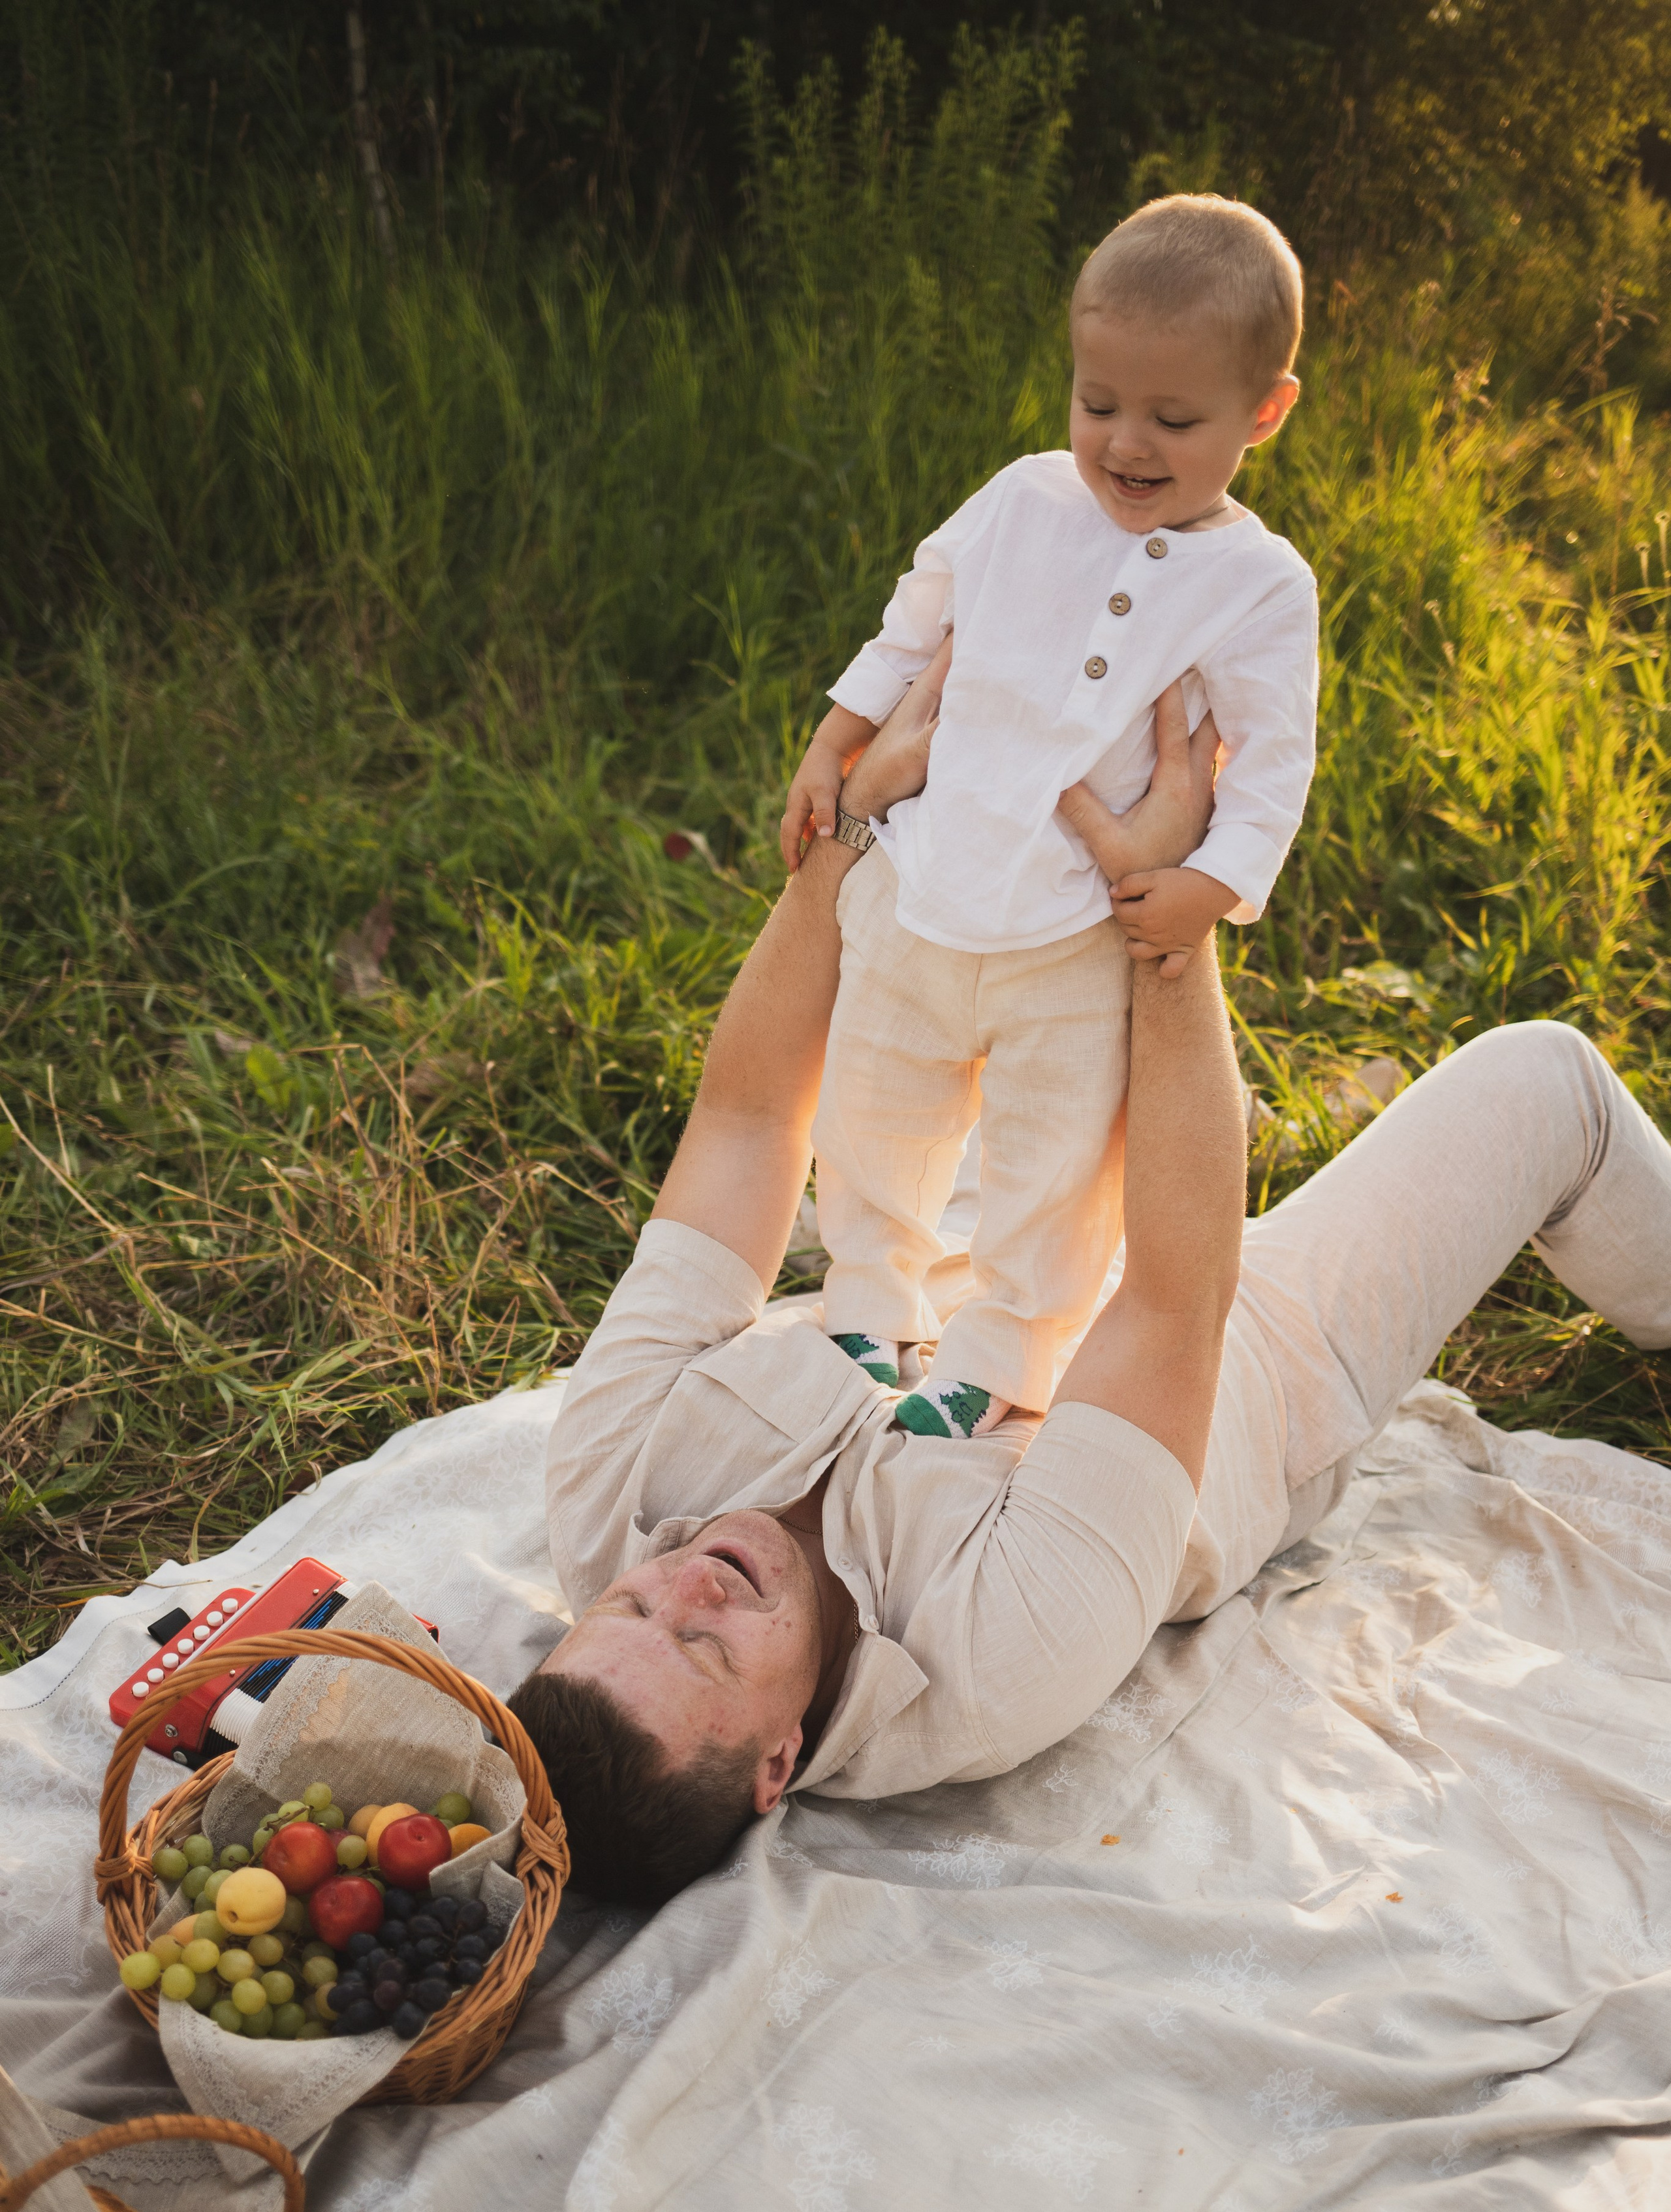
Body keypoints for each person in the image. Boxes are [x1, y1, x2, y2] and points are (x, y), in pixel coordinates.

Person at [509, 651, 1671, 1905]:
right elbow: (1174, 1294)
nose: (687, 1581)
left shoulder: (602, 1499)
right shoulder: (994, 1658)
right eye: (706, 1648)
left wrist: (848, 821)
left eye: (628, 1612)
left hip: (948, 1254)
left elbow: (742, 1128)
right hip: (1237, 1366)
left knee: (965, 891)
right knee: (1546, 1082)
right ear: (778, 1763)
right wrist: (1166, 917)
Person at [780, 194, 1319, 1439]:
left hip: (1075, 933)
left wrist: (1218, 880)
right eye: (1098, 403)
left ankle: (1009, 1343)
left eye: (1174, 420)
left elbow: (1275, 761)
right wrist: (835, 738)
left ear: (1266, 410)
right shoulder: (1023, 499)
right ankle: (867, 1293)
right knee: (875, 1105)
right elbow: (915, 619)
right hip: (927, 887)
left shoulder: (1259, 586)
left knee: (1055, 1160)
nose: (1126, 443)